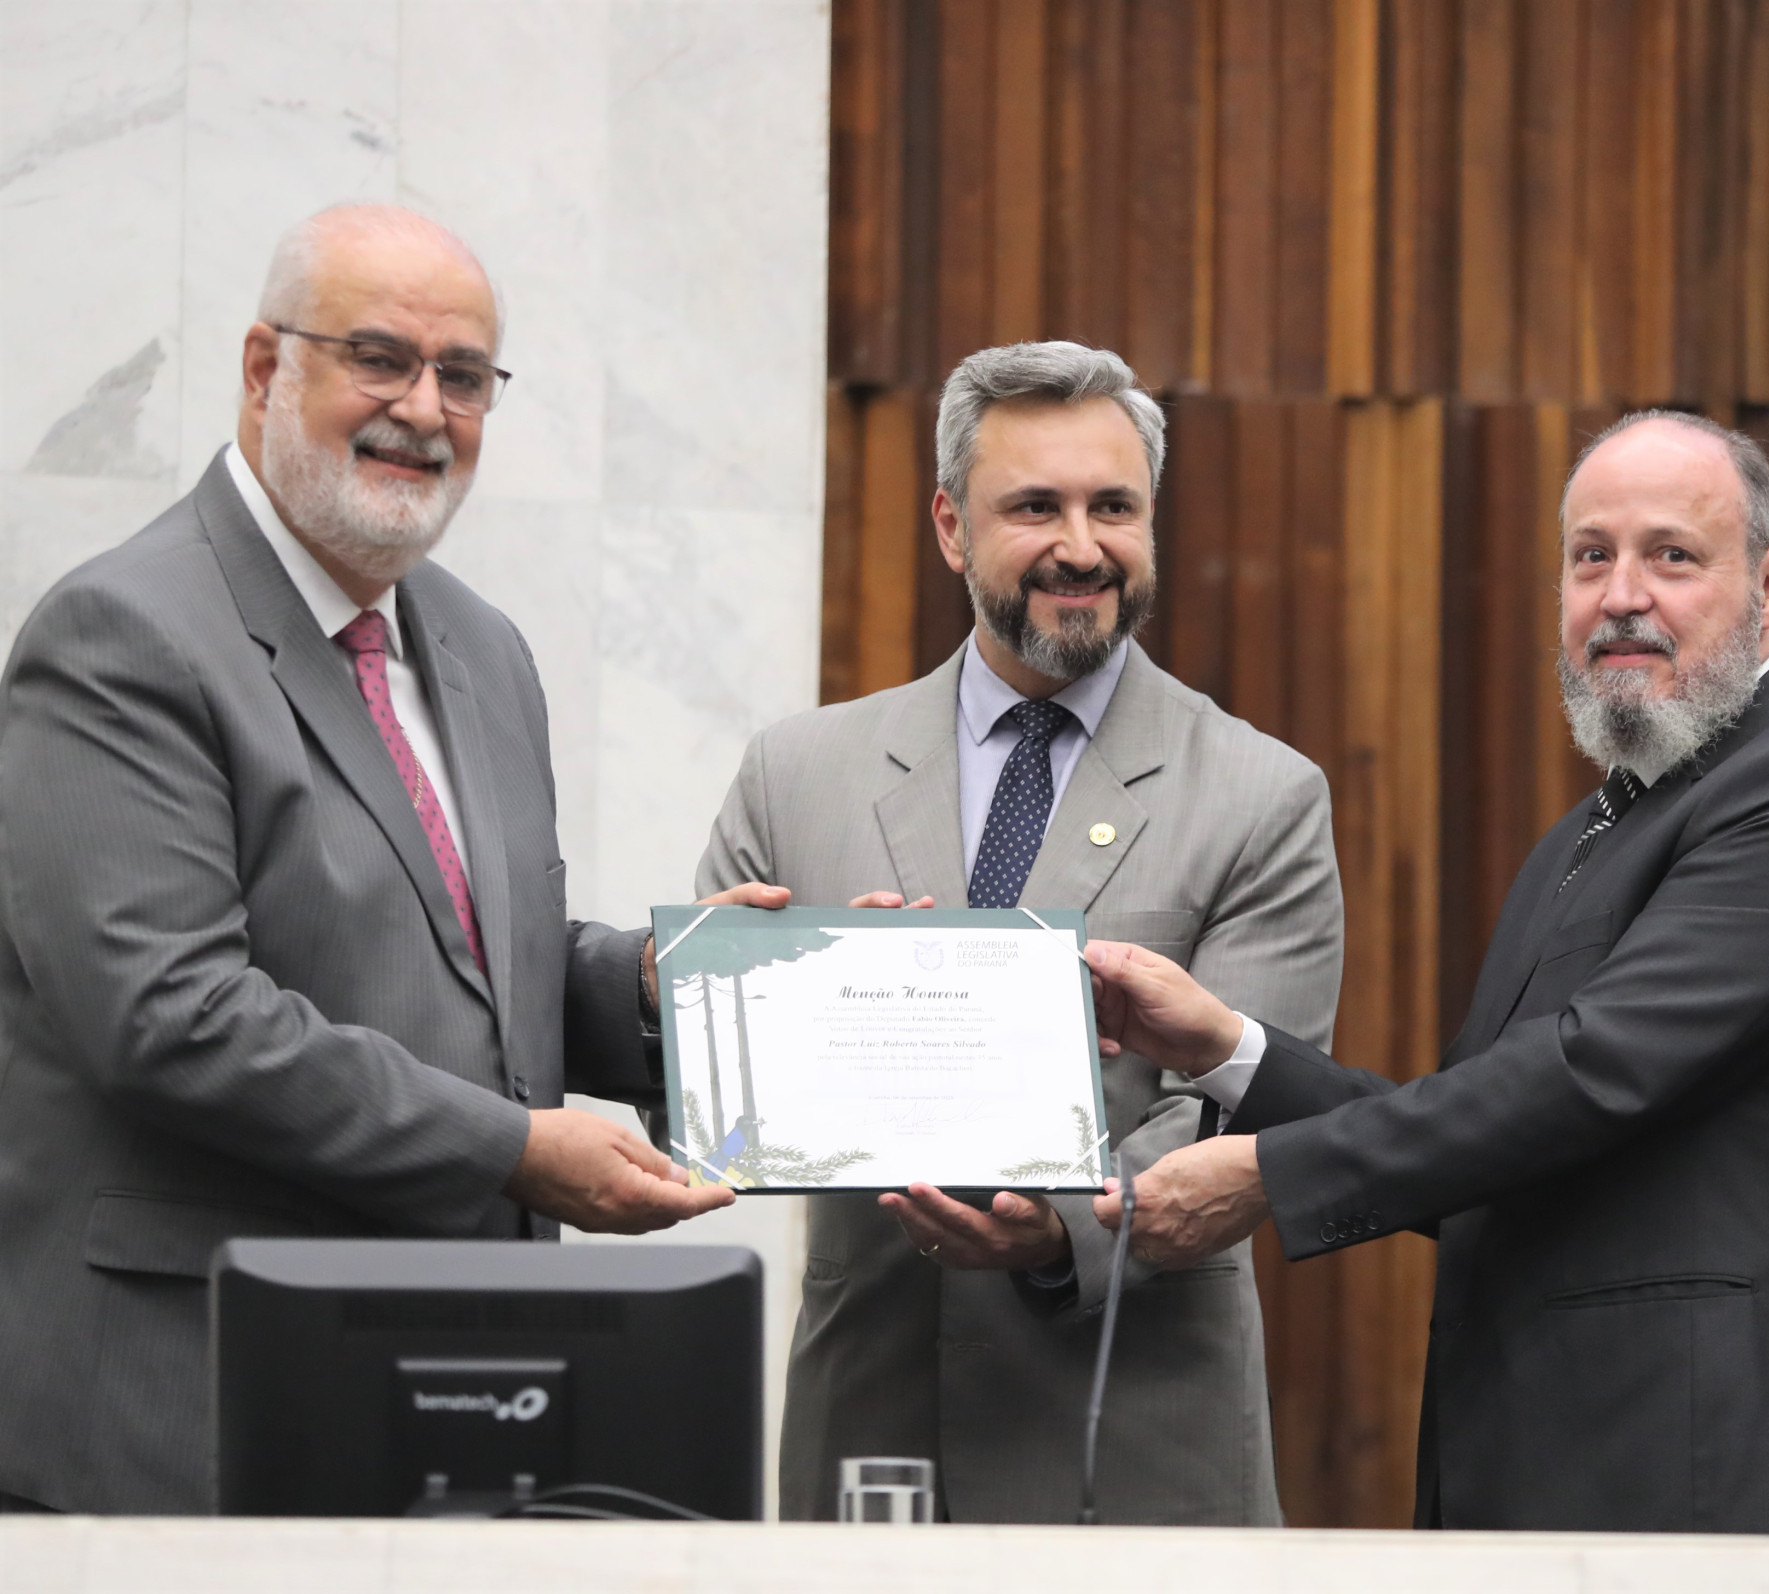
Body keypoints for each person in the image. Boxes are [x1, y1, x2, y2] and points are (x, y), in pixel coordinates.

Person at [0, 205, 769, 1514]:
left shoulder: (481, 647)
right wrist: (512, 1147)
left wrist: (657, 987)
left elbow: (469, 964)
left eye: (463, 375)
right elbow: (169, 1015)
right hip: (186, 1405)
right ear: (264, 368)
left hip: (452, 1395)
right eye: (378, 357)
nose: (423, 408)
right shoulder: (122, 632)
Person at [1083, 411, 1769, 1535]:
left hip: (1700, 1485)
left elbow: (1588, 1073)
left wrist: (1267, 1174)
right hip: (1531, 1477)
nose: (1621, 596)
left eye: (1671, 556)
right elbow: (1486, 1137)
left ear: (1767, 583)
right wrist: (1225, 1049)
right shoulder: (1591, 830)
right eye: (1590, 557)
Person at [697, 341, 1343, 1524]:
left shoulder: (1263, 794)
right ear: (951, 527)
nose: (1080, 547)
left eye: (1114, 508)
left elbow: (1244, 1116)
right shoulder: (796, 774)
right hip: (871, 1435)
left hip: (1139, 1448)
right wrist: (790, 1001)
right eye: (1034, 506)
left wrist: (1059, 1230)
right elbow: (709, 1084)